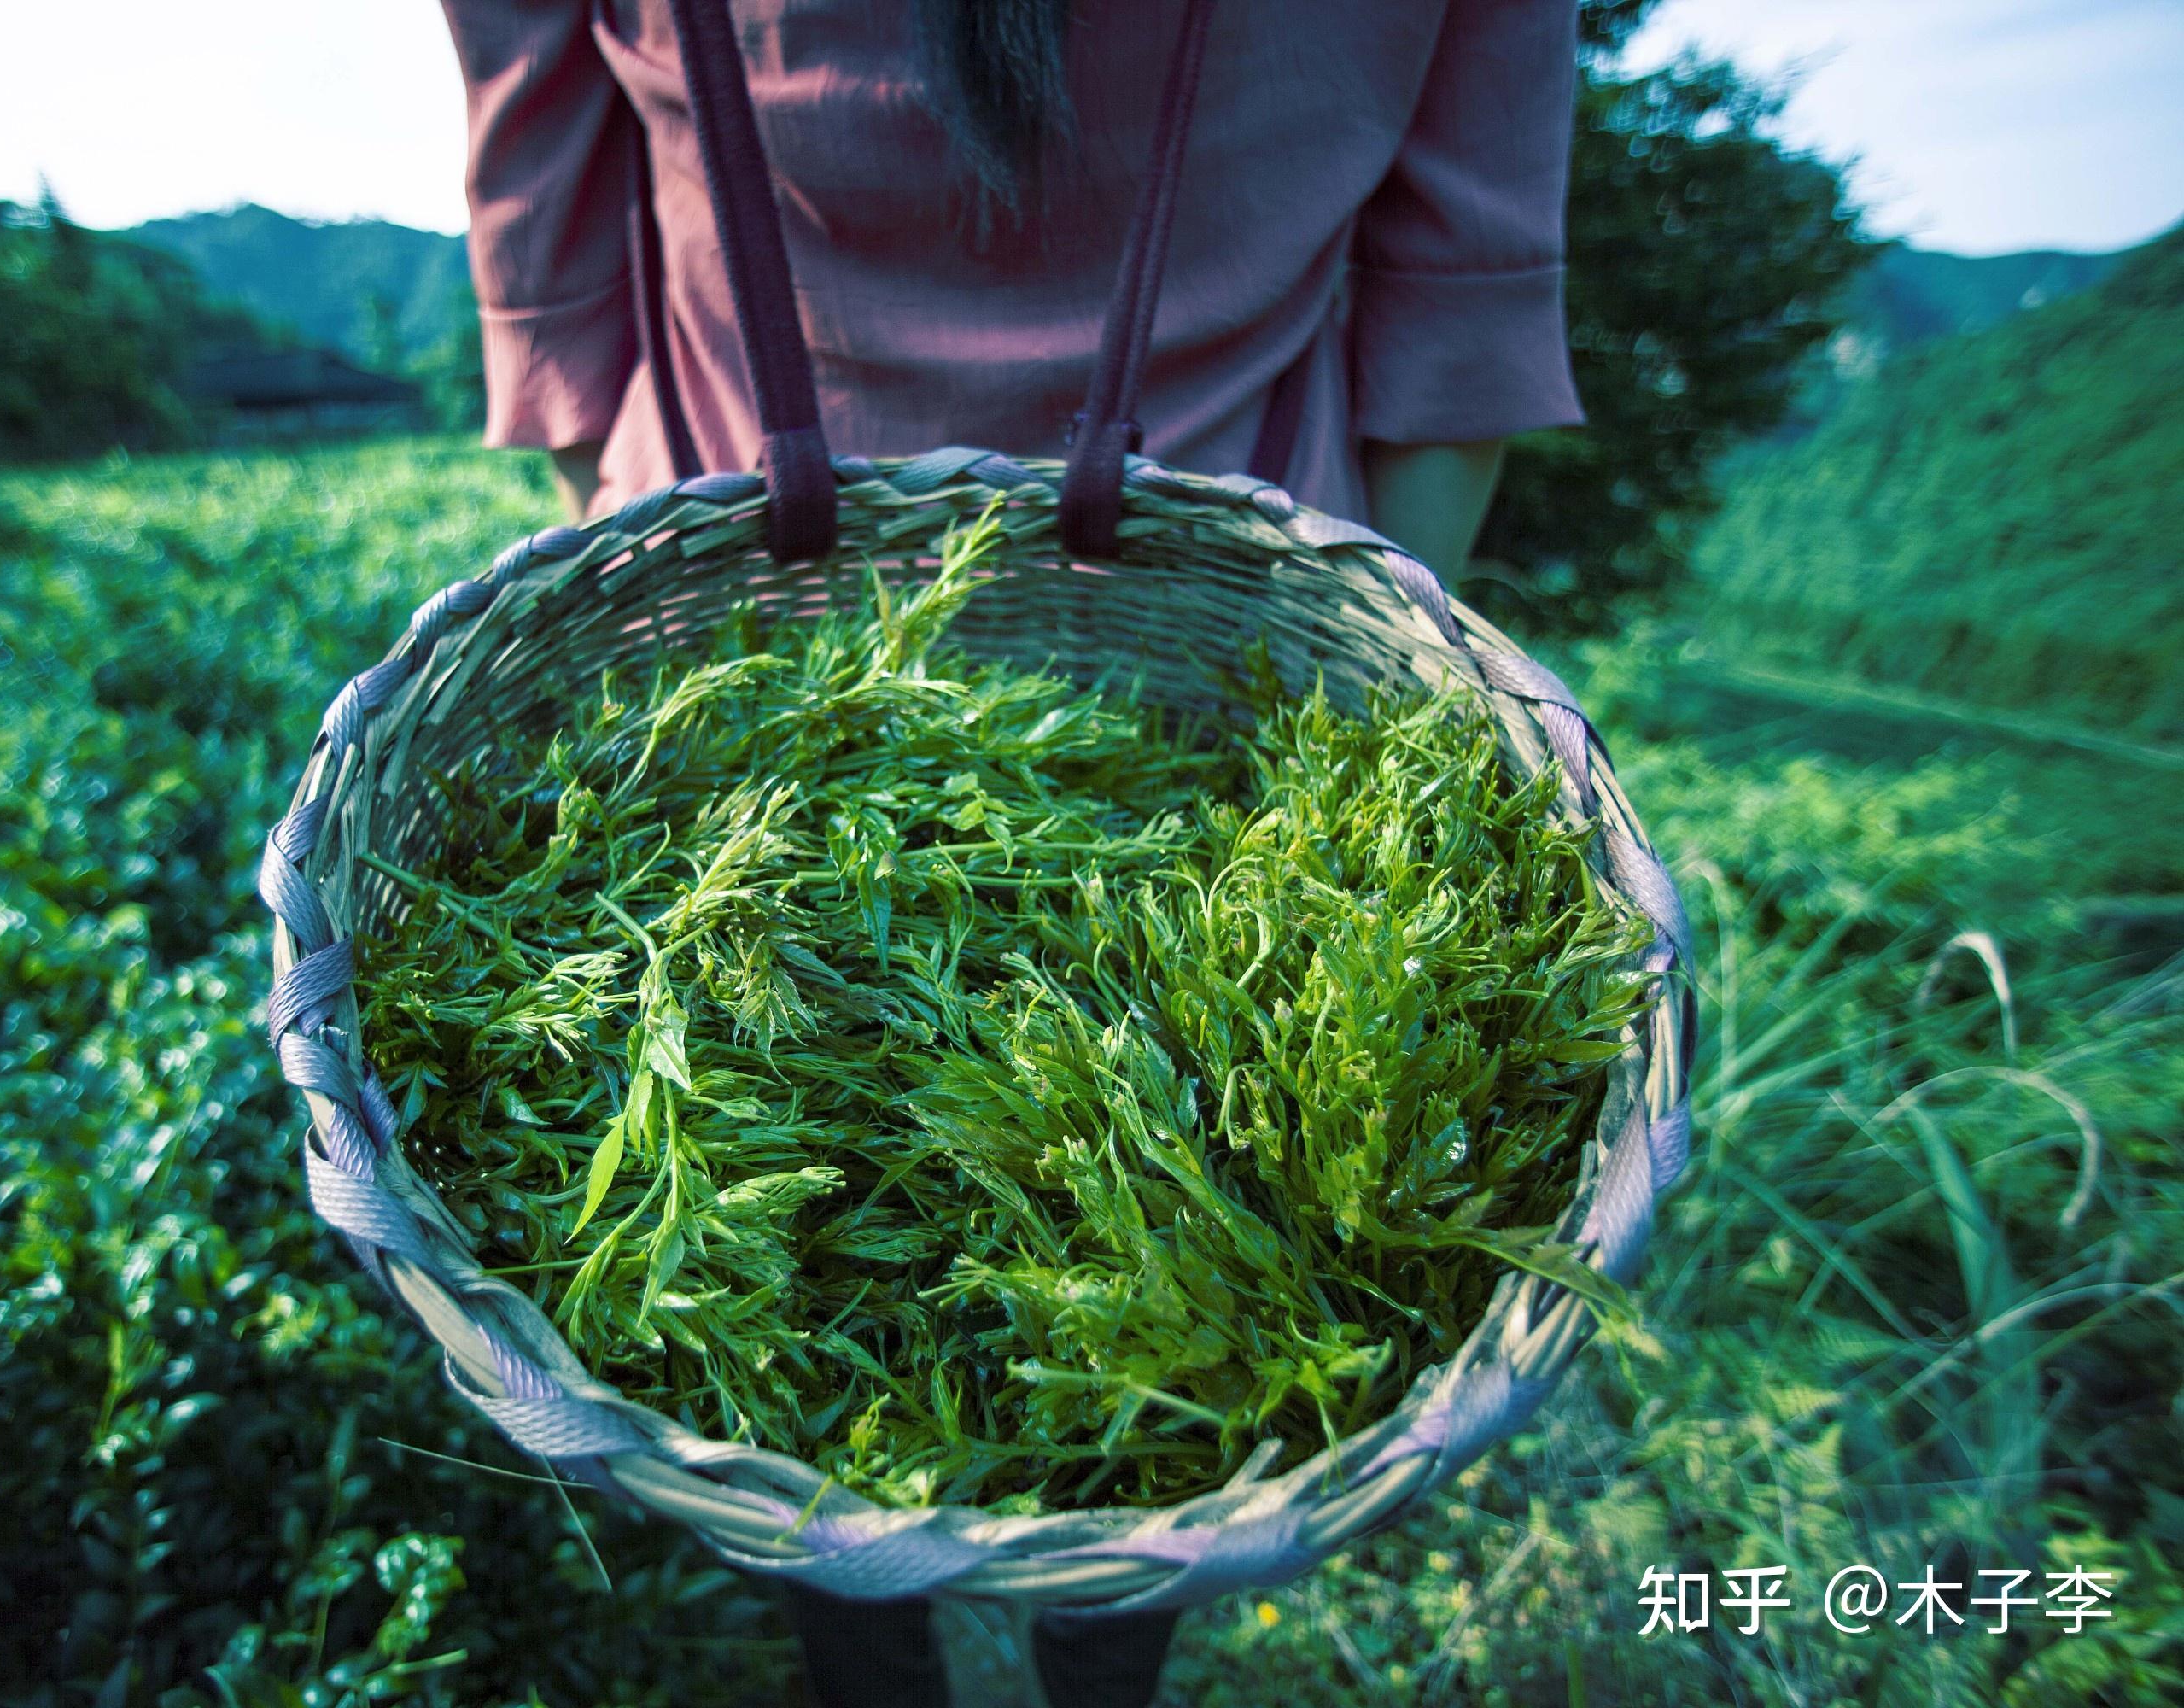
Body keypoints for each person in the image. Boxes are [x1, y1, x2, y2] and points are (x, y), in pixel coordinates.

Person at [437, 2, 1584, 1699]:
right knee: (1177, 1271)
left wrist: (637, 607)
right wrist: (1353, 723)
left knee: (793, 1331)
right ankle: (1094, 1615)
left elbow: (547, 265)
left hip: (731, 619)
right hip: (1221, 667)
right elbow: (1455, 327)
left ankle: (874, 1629)